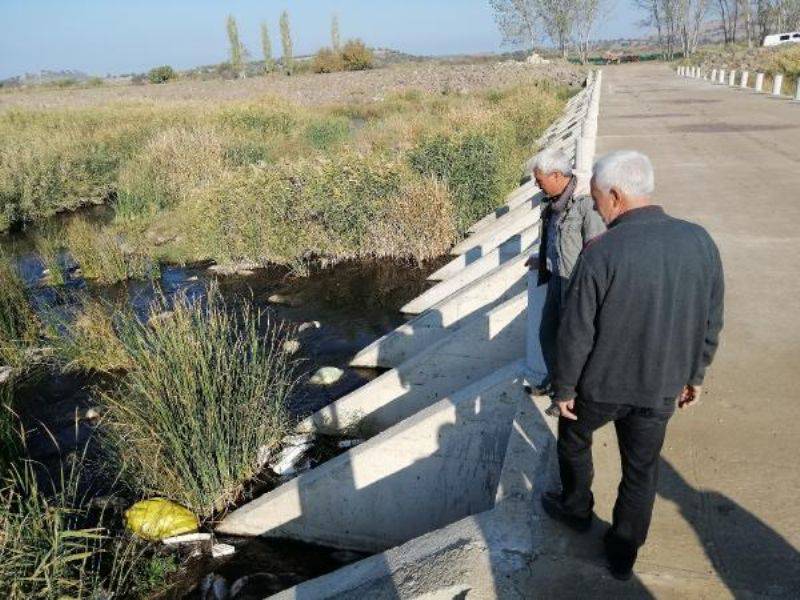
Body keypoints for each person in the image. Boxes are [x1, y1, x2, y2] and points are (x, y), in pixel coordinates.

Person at [542, 150, 725, 581]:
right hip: (662, 386)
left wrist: (564, 388)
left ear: (616, 196)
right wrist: (695, 375)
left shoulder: (602, 252)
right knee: (642, 471)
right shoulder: (700, 241)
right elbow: (711, 318)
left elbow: (576, 331)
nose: (597, 208)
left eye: (597, 199)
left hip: (601, 387)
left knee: (573, 437)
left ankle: (576, 509)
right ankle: (623, 555)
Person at [524, 147, 605, 398]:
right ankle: (555, 383)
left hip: (576, 284)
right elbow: (557, 238)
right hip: (556, 277)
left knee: (572, 342)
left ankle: (569, 396)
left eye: (540, 180)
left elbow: (597, 249)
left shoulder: (586, 203)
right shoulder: (553, 202)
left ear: (557, 175)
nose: (538, 186)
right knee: (548, 334)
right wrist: (543, 259)